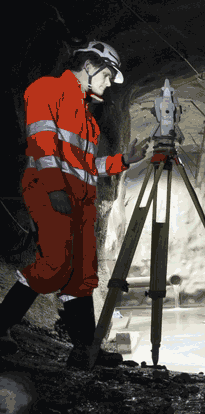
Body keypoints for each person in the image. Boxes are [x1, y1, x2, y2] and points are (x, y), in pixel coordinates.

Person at [0, 40, 150, 369]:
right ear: (90, 64)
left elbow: (87, 166)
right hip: (49, 188)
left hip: (81, 197)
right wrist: (54, 189)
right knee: (54, 265)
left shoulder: (87, 118)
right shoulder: (47, 89)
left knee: (81, 274)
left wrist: (125, 160)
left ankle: (85, 350)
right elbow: (40, 139)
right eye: (108, 76)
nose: (109, 84)